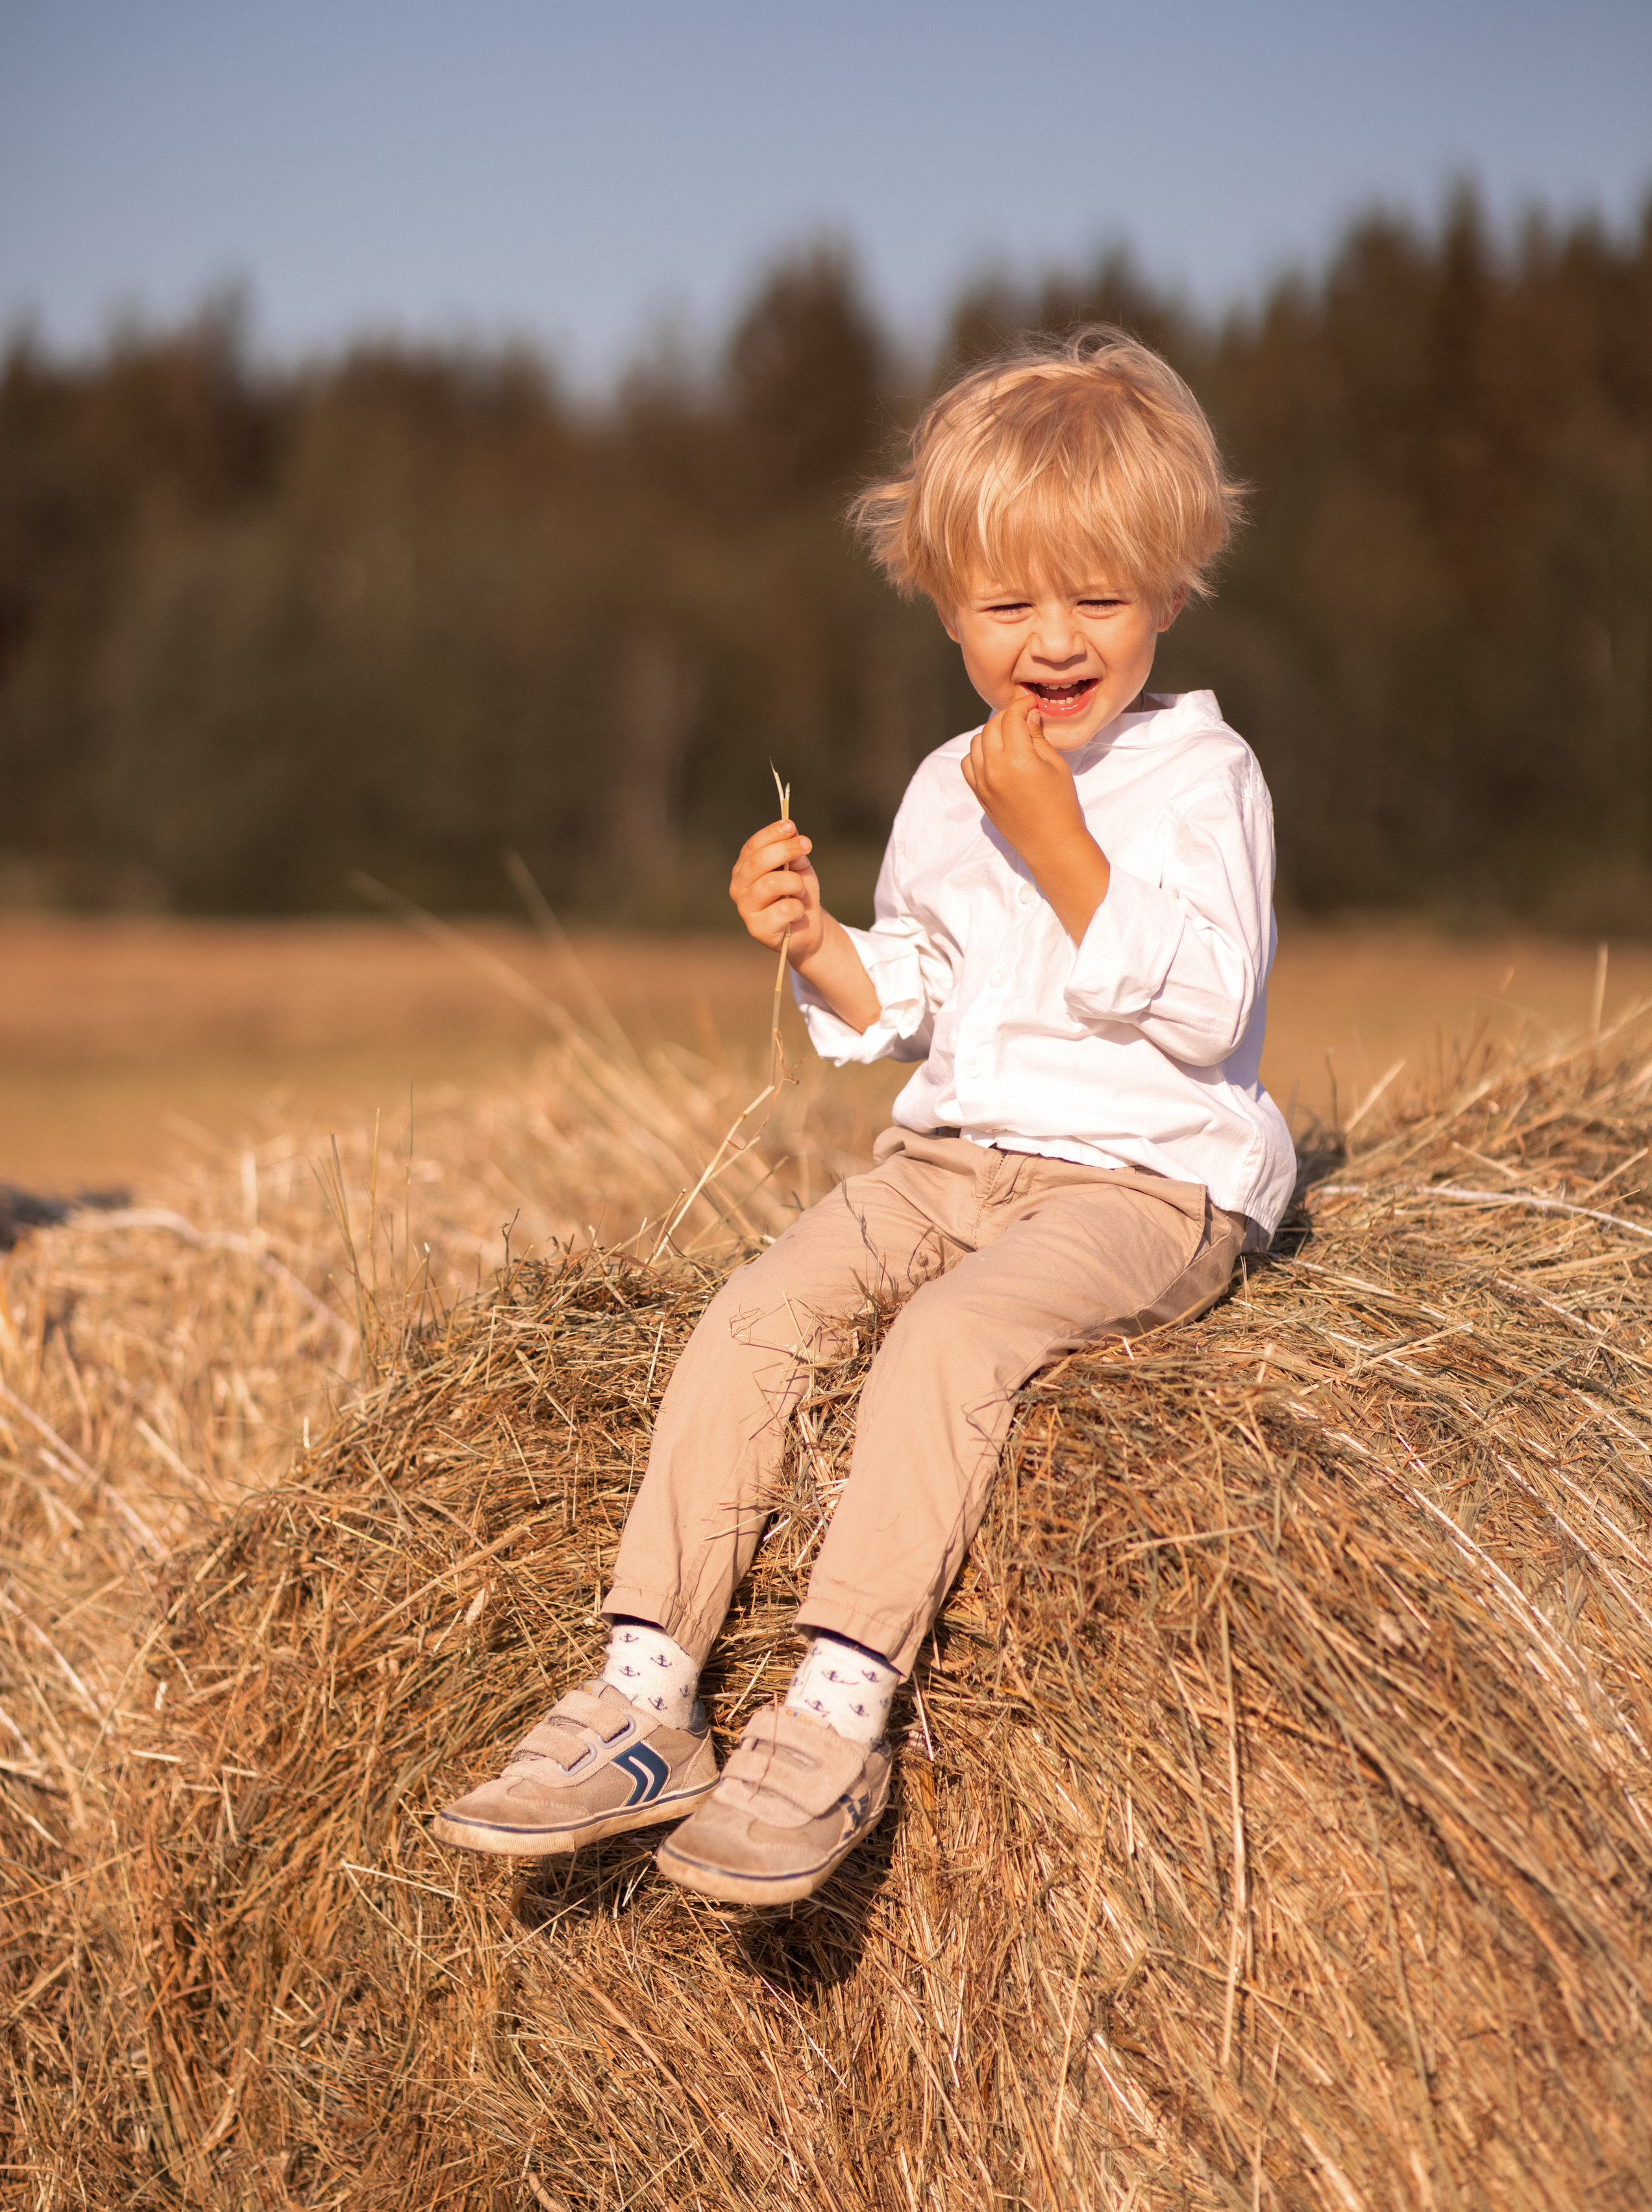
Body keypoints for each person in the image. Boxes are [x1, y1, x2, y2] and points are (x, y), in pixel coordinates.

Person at [432, 327, 1296, 1904]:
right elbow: (912, 989)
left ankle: (834, 1715)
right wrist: (820, 946)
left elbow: (1205, 1005)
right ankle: (644, 1693)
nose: (1053, 638)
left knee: (947, 1347)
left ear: (1170, 591)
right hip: (945, 1157)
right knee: (754, 1312)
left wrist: (1061, 845)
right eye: (1006, 602)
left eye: (1097, 597)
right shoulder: (939, 786)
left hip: (1140, 1185)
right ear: (941, 603)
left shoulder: (1197, 776)